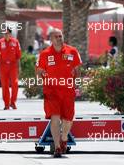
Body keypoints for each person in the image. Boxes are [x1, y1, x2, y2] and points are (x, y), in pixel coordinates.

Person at [35, 28, 82, 158]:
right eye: (56, 36)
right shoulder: (45, 54)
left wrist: (77, 83)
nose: (59, 38)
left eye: (60, 36)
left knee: (68, 119)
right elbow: (38, 71)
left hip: (68, 90)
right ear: (51, 39)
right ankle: (57, 147)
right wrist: (41, 75)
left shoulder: (72, 51)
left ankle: (64, 137)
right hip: (51, 91)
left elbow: (78, 69)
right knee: (55, 117)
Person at [0, 29, 21, 110]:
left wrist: (19, 67)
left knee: (15, 84)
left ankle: (13, 102)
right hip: (3, 66)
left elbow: (18, 56)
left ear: (10, 34)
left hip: (13, 66)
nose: (5, 35)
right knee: (4, 85)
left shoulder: (15, 42)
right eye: (4, 34)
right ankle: (6, 104)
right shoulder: (0, 42)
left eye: (7, 33)